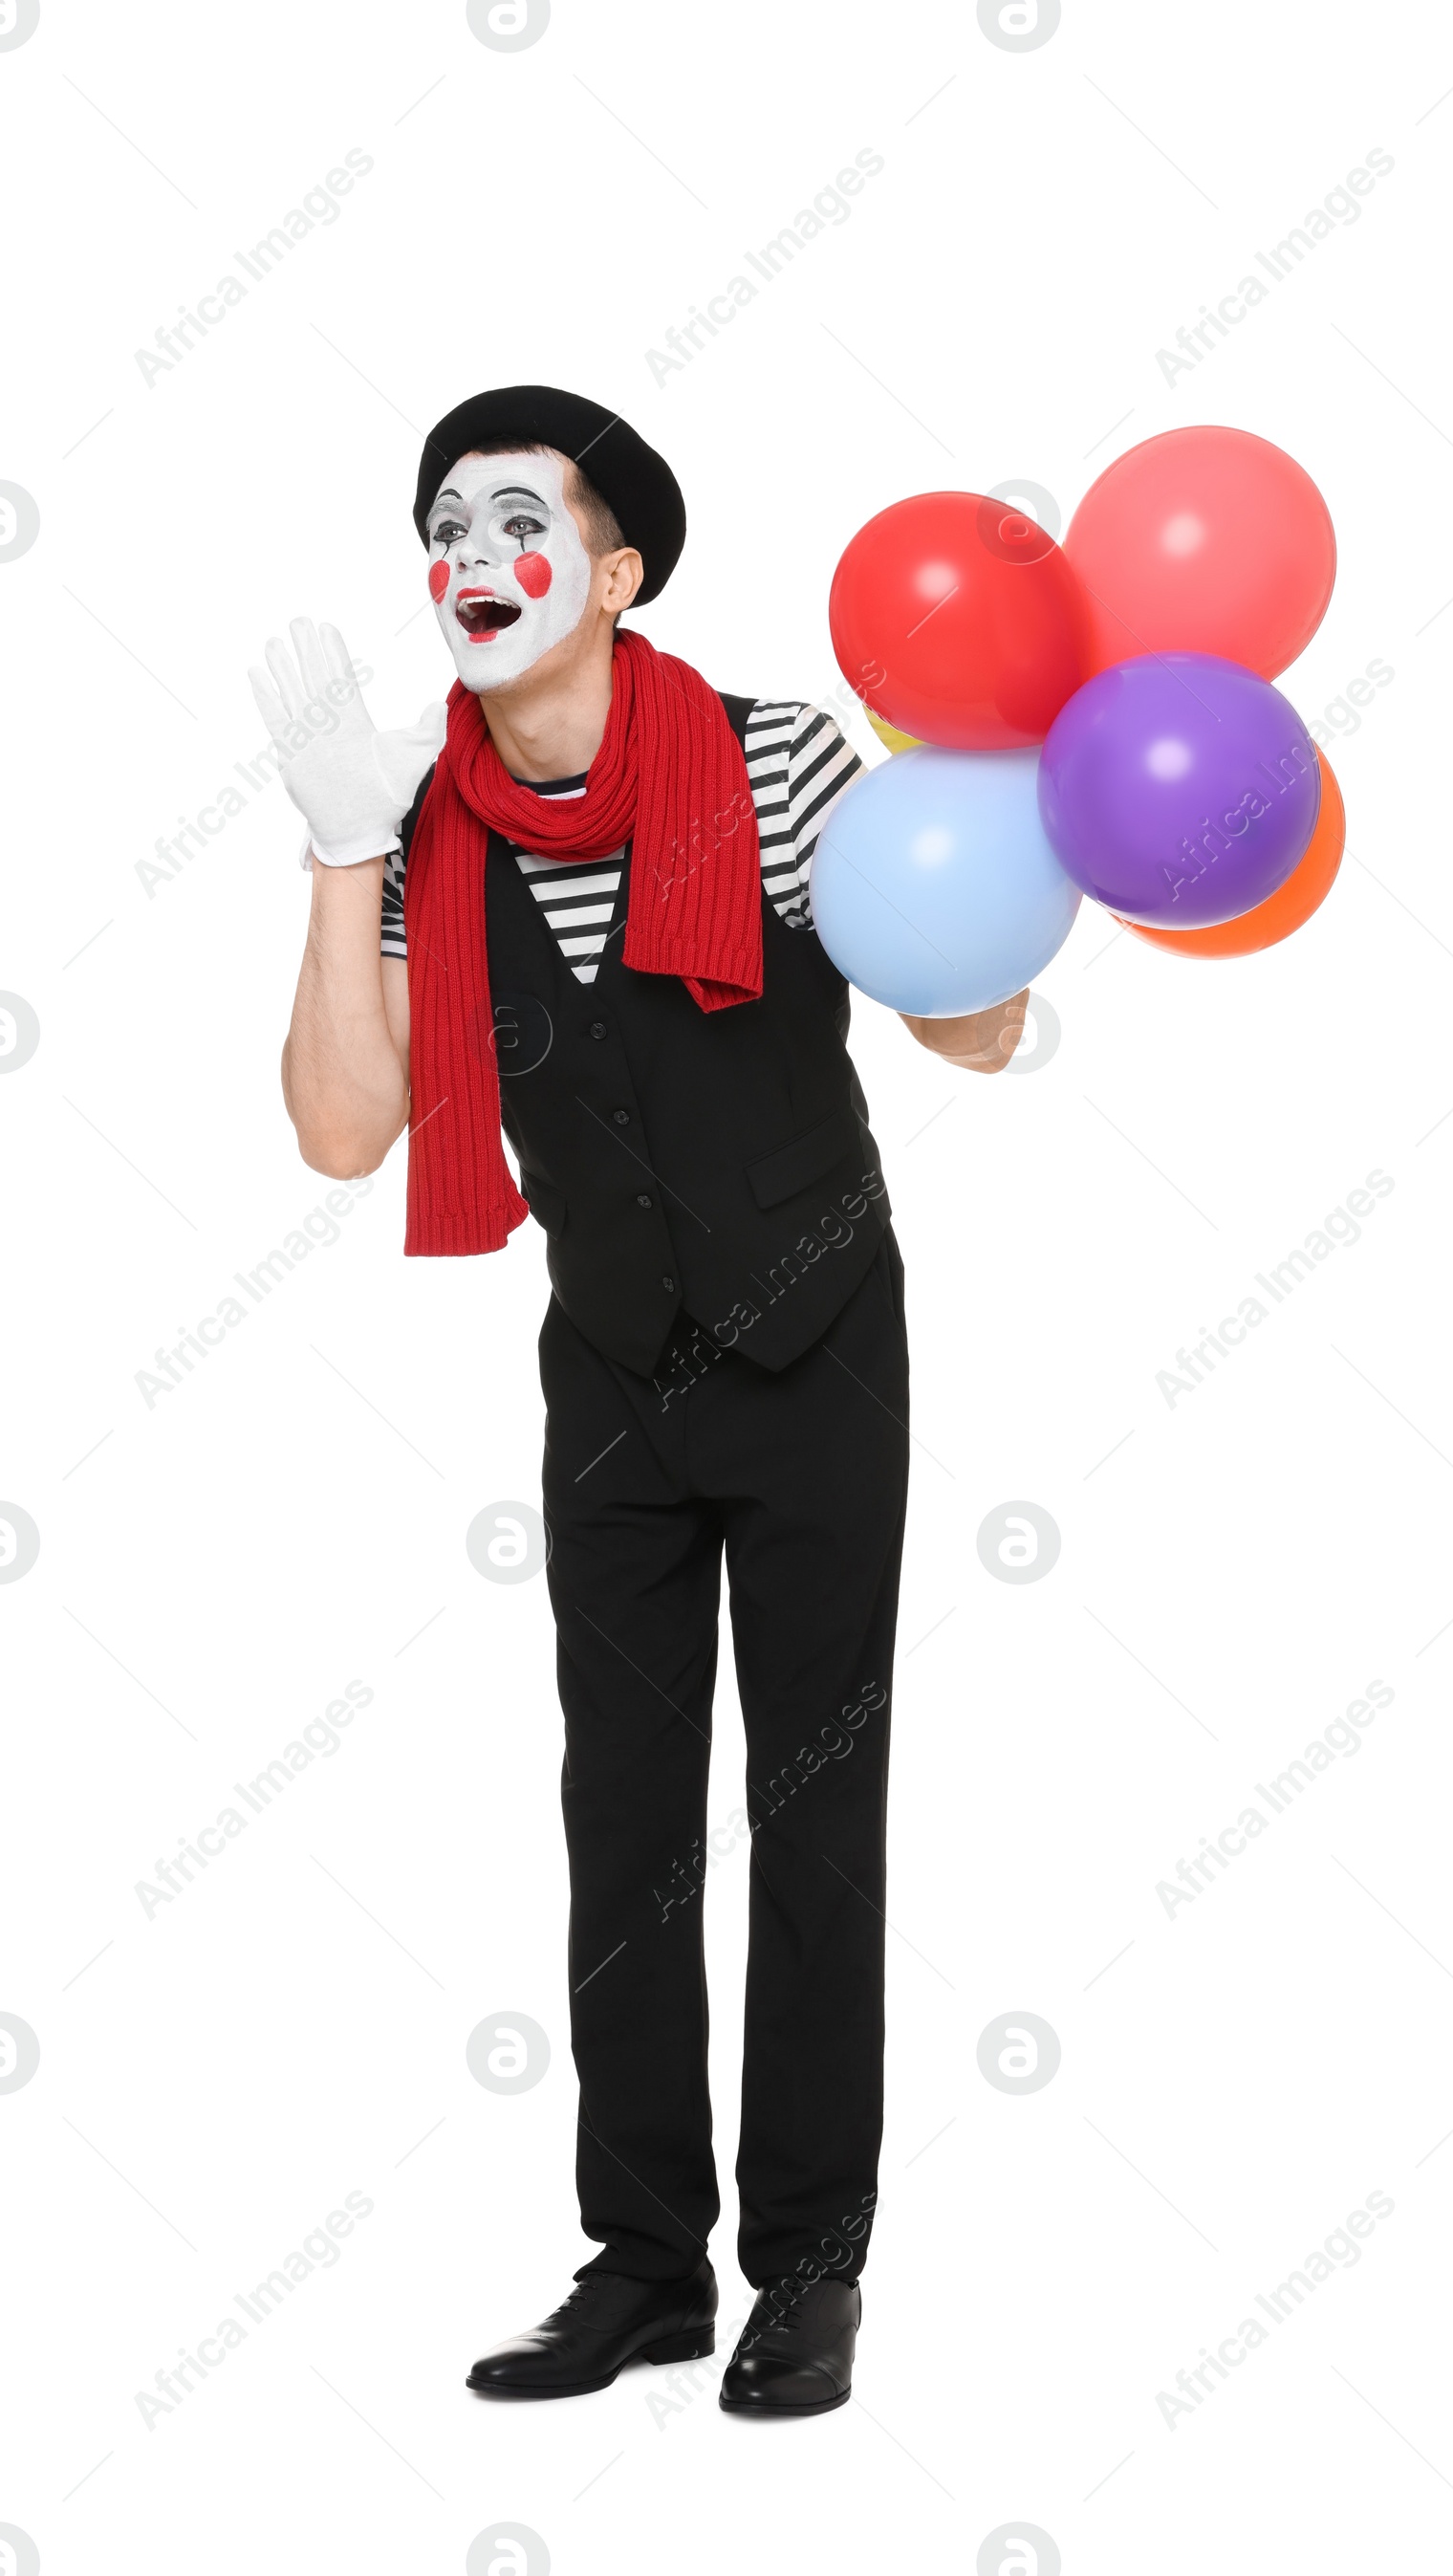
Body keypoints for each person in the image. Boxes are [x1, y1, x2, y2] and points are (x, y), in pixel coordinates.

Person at [253, 384, 1027, 2415]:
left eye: (516, 520)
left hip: (813, 1353)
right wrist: (344, 854)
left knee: (812, 1812)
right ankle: (646, 2262)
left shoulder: (770, 764)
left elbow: (977, 1026)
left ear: (613, 576)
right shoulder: (422, 821)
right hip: (603, 1369)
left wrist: (978, 846)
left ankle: (808, 2267)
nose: (466, 553)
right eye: (442, 521)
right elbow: (347, 1129)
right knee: (621, 1825)